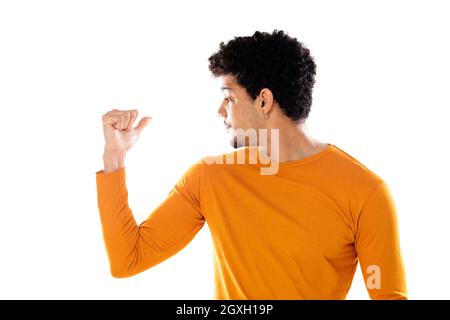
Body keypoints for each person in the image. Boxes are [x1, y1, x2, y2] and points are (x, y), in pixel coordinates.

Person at [96, 30, 407, 299]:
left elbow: (387, 294)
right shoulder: (208, 178)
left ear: (263, 100)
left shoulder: (365, 192)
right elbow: (128, 260)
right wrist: (115, 157)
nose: (220, 111)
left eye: (228, 98)